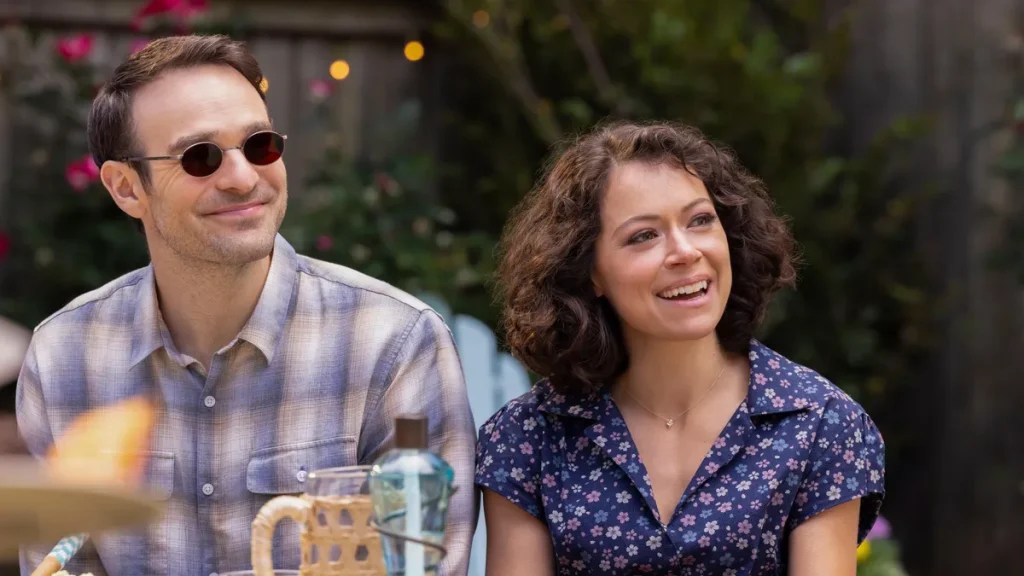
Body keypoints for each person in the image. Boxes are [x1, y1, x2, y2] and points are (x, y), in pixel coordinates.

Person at [16, 34, 476, 576]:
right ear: (126, 188)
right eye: (200, 157)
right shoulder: (64, 357)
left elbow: (421, 569)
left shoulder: (393, 343)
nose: (242, 178)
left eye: (259, 145)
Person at [476, 121, 885, 575]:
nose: (685, 251)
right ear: (588, 272)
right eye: (643, 236)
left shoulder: (818, 424)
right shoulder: (529, 437)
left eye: (700, 220)